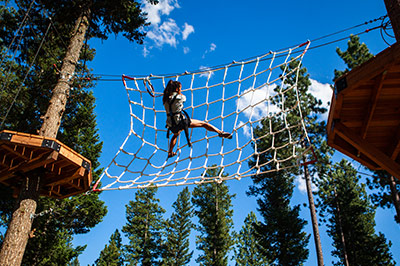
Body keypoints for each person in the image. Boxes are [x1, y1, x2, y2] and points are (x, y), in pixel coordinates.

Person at [163, 80, 232, 158]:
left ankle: (170, 152)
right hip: (181, 122)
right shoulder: (180, 97)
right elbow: (184, 98)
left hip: (171, 124)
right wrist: (179, 93)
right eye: (180, 88)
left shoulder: (165, 100)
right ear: (177, 89)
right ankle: (220, 132)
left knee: (175, 134)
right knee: (204, 124)